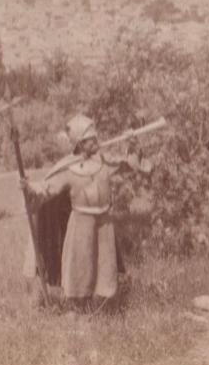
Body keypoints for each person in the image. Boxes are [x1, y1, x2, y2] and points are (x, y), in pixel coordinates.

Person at [22, 114, 152, 312]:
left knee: (104, 265)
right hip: (81, 222)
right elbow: (47, 188)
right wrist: (29, 187)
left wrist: (133, 144)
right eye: (91, 140)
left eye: (95, 138)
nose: (96, 141)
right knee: (80, 265)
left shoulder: (104, 162)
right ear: (80, 144)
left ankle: (100, 307)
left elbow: (130, 165)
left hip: (104, 222)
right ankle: (77, 308)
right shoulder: (69, 168)